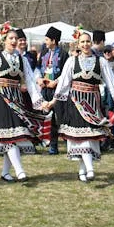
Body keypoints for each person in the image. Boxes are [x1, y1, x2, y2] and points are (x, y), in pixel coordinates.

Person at [41, 30, 114, 182]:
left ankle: (82, 170)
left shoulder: (101, 62)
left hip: (93, 103)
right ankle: (90, 169)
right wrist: (54, 101)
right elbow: (64, 83)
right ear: (78, 45)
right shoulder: (72, 61)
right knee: (81, 138)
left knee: (90, 137)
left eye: (87, 41)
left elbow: (112, 82)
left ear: (91, 43)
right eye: (82, 42)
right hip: (76, 103)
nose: (85, 44)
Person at [0, 24, 49, 182]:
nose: (14, 41)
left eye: (17, 38)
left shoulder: (22, 59)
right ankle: (20, 171)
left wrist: (38, 101)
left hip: (16, 100)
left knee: (13, 136)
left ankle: (5, 172)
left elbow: (29, 80)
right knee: (11, 135)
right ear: (4, 40)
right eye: (11, 38)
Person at [38, 26, 68, 155]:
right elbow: (39, 68)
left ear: (54, 40)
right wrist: (39, 79)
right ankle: (53, 145)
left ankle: (70, 143)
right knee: (49, 118)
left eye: (47, 39)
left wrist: (56, 82)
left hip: (58, 90)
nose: (45, 42)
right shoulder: (44, 52)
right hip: (45, 89)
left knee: (61, 117)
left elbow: (66, 72)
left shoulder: (63, 53)